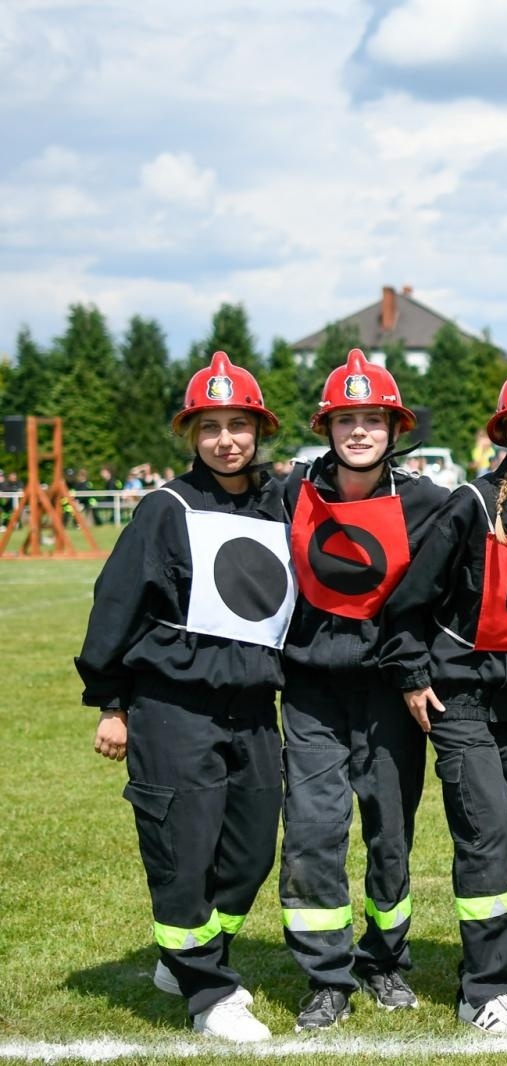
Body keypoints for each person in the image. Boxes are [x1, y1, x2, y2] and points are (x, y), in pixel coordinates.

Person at [76, 351, 293, 1042]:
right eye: (209, 427)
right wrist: (112, 705)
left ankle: (190, 955)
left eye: (238, 424)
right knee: (183, 851)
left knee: (252, 852)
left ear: (259, 431)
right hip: (175, 709)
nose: (225, 439)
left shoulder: (279, 503)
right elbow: (116, 606)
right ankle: (207, 993)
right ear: (191, 435)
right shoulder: (164, 509)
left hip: (257, 712)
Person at [380, 355, 507, 1037]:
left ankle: (494, 953)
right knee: (485, 832)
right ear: (506, 433)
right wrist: (413, 675)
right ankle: (482, 990)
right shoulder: (468, 504)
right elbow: (407, 601)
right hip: (458, 698)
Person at [276, 350, 449, 1031]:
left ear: (393, 428)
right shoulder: (288, 494)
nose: (358, 431)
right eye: (345, 419)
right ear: (327, 427)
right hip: (312, 690)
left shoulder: (429, 504)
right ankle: (326, 975)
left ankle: (382, 961)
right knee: (315, 832)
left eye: (371, 419)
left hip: (389, 695)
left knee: (390, 831)